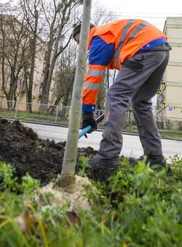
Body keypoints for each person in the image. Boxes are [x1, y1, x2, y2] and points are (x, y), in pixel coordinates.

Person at [72, 18, 171, 174]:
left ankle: (108, 156)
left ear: (85, 34)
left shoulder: (98, 38)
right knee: (141, 102)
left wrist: (87, 113)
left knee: (116, 95)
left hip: (145, 48)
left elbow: (92, 80)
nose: (81, 47)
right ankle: (154, 158)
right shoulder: (110, 34)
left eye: (79, 41)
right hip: (160, 50)